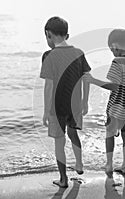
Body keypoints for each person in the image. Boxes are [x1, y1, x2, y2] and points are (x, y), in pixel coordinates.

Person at [84, 29, 125, 177]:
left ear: (115, 46)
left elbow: (114, 86)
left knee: (109, 134)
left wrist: (93, 81)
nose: (112, 52)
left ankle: (109, 164)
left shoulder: (117, 61)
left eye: (111, 49)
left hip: (117, 107)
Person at [40, 16, 91, 187]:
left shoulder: (49, 55)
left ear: (48, 34)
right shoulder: (78, 53)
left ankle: (63, 179)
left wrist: (46, 111)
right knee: (73, 133)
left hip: (57, 108)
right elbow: (87, 78)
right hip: (75, 105)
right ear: (67, 35)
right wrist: (85, 101)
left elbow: (49, 85)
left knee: (59, 141)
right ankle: (79, 164)